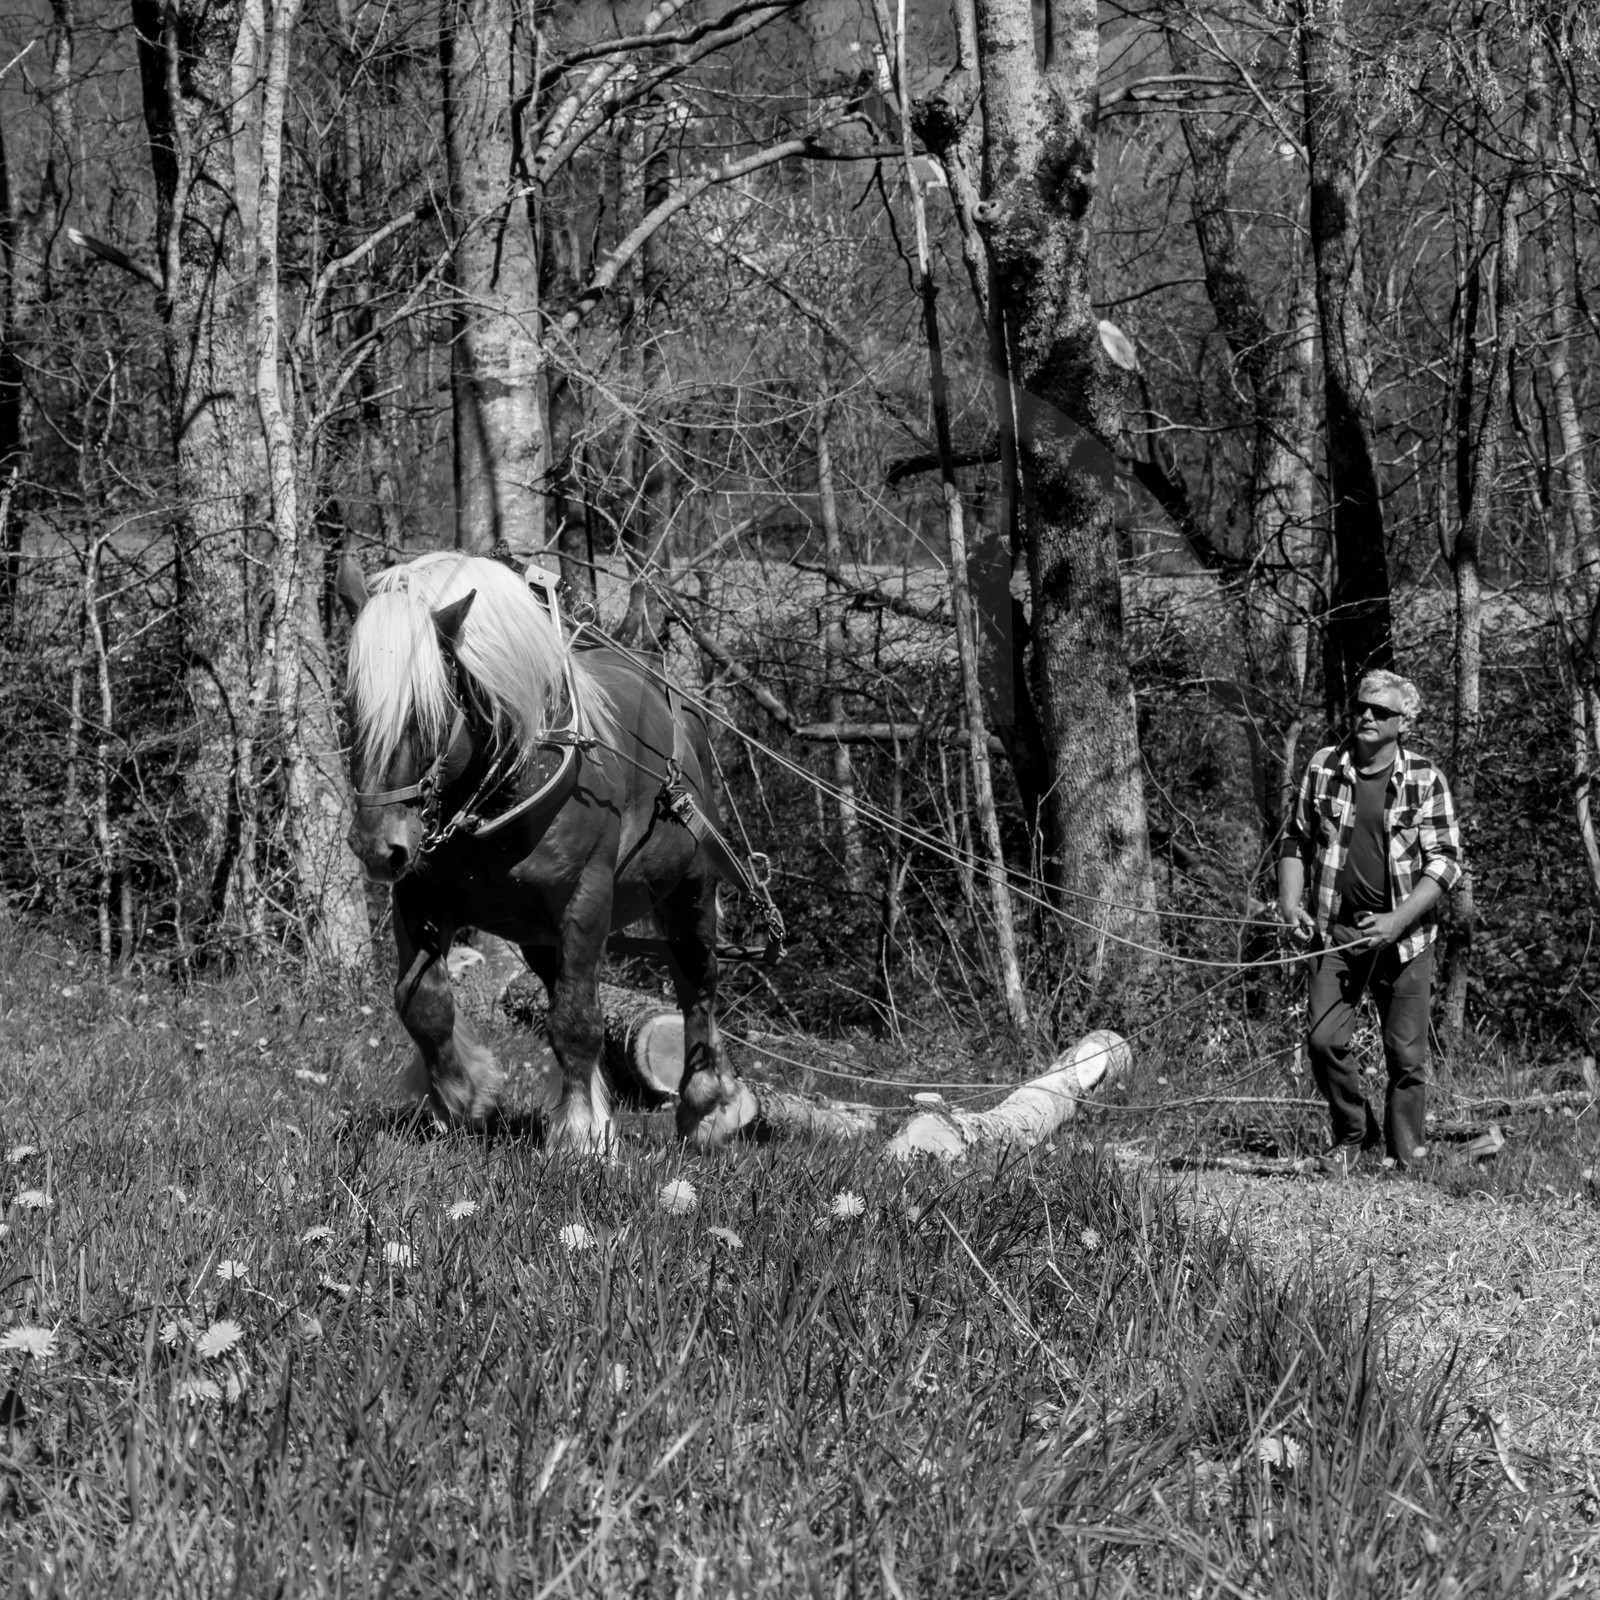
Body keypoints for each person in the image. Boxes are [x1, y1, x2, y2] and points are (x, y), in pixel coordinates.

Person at [1278, 670, 1462, 1176]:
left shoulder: (1426, 779)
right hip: (1332, 933)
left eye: (1382, 712)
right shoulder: (1323, 767)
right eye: (1362, 706)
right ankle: (1354, 1136)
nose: (1367, 717)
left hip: (1405, 939)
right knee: (1323, 1041)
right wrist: (1289, 906)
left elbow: (1445, 862)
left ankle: (1407, 1157)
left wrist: (1396, 921)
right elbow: (1295, 839)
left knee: (1405, 1056)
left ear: (1404, 721)